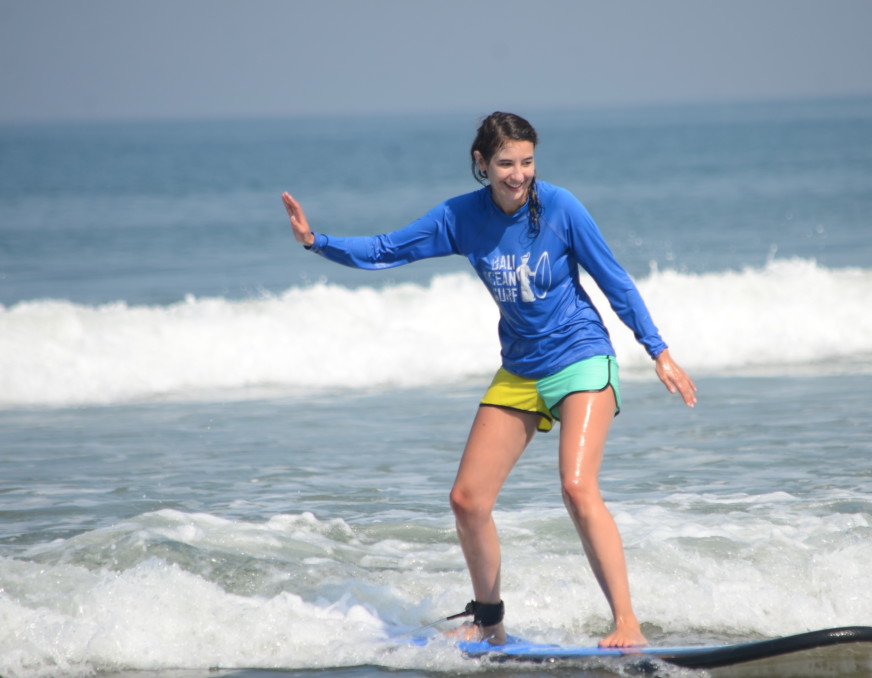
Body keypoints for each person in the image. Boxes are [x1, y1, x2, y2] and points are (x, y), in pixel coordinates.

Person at [282, 112, 696, 648]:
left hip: (581, 357)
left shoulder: (562, 209)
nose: (518, 174)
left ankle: (627, 623)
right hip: (521, 368)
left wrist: (658, 350)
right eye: (506, 163)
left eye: (527, 161)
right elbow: (389, 249)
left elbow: (613, 279)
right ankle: (491, 620)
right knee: (467, 500)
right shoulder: (460, 217)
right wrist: (317, 241)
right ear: (482, 163)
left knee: (575, 486)